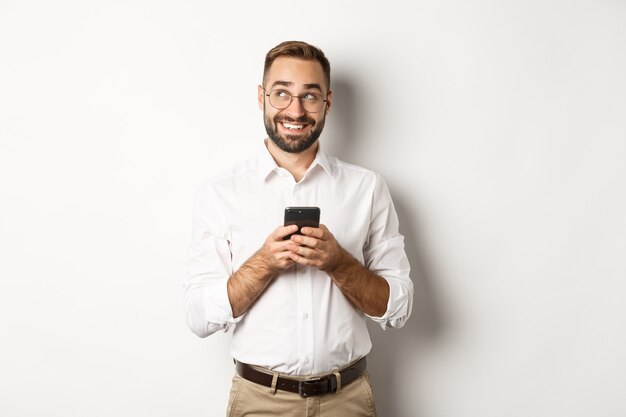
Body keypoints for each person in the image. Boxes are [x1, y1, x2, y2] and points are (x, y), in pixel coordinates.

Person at [184, 40, 413, 417]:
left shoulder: (367, 188)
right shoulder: (220, 193)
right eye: (281, 93)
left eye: (310, 96)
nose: (295, 109)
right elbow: (198, 317)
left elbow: (399, 308)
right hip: (260, 402)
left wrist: (338, 263)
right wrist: (264, 263)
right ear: (262, 97)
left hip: (348, 400)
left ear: (328, 102)